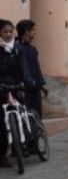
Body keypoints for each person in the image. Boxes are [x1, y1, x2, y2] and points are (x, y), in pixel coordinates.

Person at [0, 19, 27, 169]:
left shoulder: (18, 49)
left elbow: (23, 67)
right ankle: (3, 155)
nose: (9, 34)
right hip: (1, 88)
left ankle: (23, 144)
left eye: (11, 31)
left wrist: (24, 81)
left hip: (16, 86)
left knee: (22, 114)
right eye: (5, 31)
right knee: (1, 123)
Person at [15, 20, 47, 117]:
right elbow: (23, 68)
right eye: (33, 30)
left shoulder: (32, 49)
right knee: (26, 117)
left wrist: (41, 84)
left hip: (35, 89)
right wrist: (30, 82)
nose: (35, 32)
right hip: (24, 90)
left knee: (37, 117)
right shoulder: (17, 47)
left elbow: (37, 68)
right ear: (26, 31)